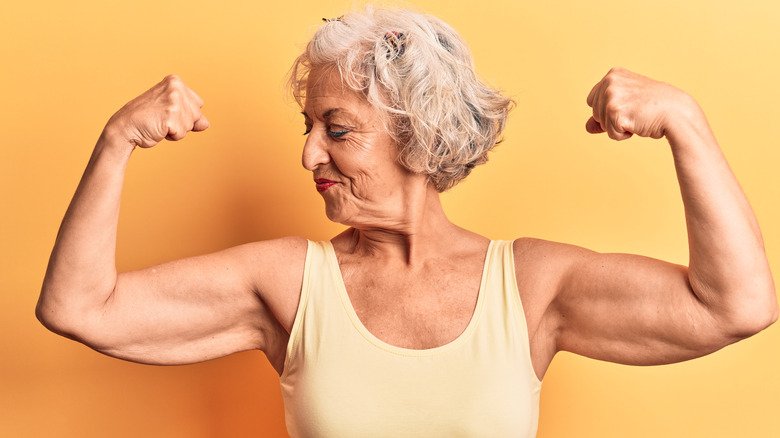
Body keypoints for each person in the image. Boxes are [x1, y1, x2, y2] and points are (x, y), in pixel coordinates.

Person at [36, 6, 777, 438]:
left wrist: (686, 123)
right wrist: (115, 141)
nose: (307, 153)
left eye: (336, 128)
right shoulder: (291, 284)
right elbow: (79, 308)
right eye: (307, 124)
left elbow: (736, 306)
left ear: (418, 132)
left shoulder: (532, 287)